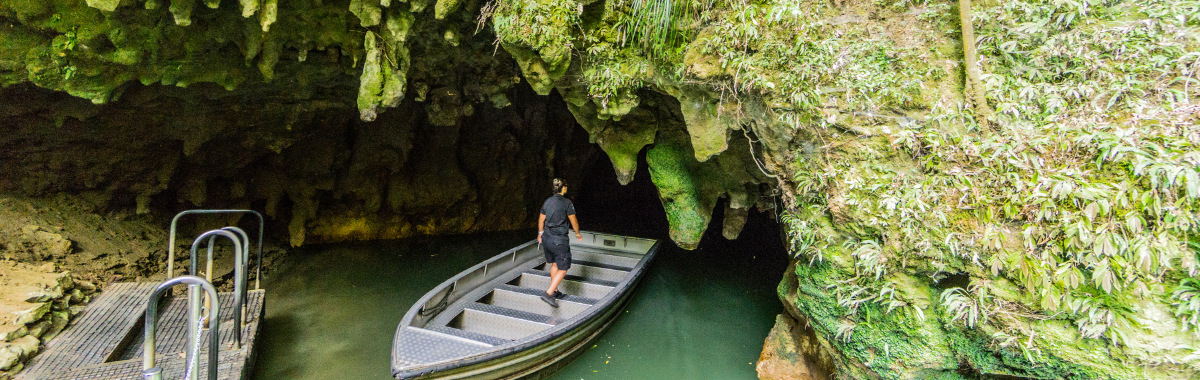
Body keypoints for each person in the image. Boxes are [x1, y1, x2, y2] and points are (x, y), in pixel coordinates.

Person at [537, 178, 582, 308]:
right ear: (564, 188)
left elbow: (541, 219)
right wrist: (577, 233)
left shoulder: (547, 201)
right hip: (559, 241)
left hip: (547, 239)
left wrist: (540, 234)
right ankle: (548, 293)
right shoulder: (567, 203)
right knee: (563, 268)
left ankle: (555, 290)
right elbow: (573, 220)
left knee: (555, 264)